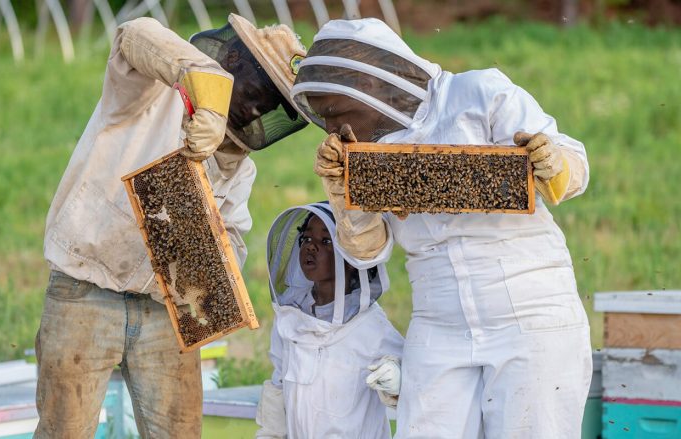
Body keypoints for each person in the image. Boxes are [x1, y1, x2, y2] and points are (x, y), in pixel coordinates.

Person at [291, 18, 592, 439]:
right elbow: (367, 252)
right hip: (438, 318)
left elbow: (573, 167)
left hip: (528, 304)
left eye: (337, 113)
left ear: (371, 85)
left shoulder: (477, 92)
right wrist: (345, 198)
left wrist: (554, 164)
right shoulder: (368, 149)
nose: (335, 129)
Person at [35, 14, 307, 438]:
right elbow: (133, 31)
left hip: (168, 314)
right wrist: (210, 95)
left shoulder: (239, 169)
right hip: (85, 289)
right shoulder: (150, 91)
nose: (257, 108)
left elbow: (233, 240)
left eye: (269, 104)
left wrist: (212, 256)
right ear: (234, 59)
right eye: (258, 91)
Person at [255, 202, 405, 439]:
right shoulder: (290, 318)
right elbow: (279, 384)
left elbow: (415, 384)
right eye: (305, 239)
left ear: (350, 258)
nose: (311, 247)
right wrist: (270, 434)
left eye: (326, 241)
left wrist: (397, 378)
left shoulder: (370, 326)